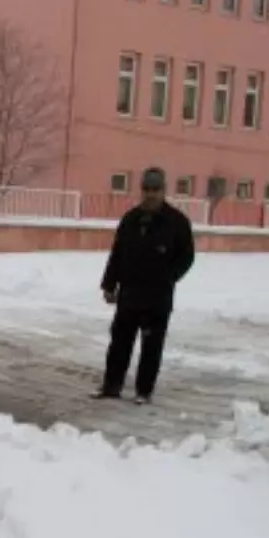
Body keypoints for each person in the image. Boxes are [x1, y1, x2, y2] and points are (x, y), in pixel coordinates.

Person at [94, 166, 196, 404]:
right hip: (129, 294)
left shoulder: (177, 222)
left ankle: (143, 391)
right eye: (146, 189)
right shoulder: (131, 219)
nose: (150, 194)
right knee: (119, 342)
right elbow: (117, 254)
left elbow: (187, 256)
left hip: (157, 297)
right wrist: (109, 284)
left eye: (155, 189)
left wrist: (168, 277)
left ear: (164, 190)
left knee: (151, 346)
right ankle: (112, 386)